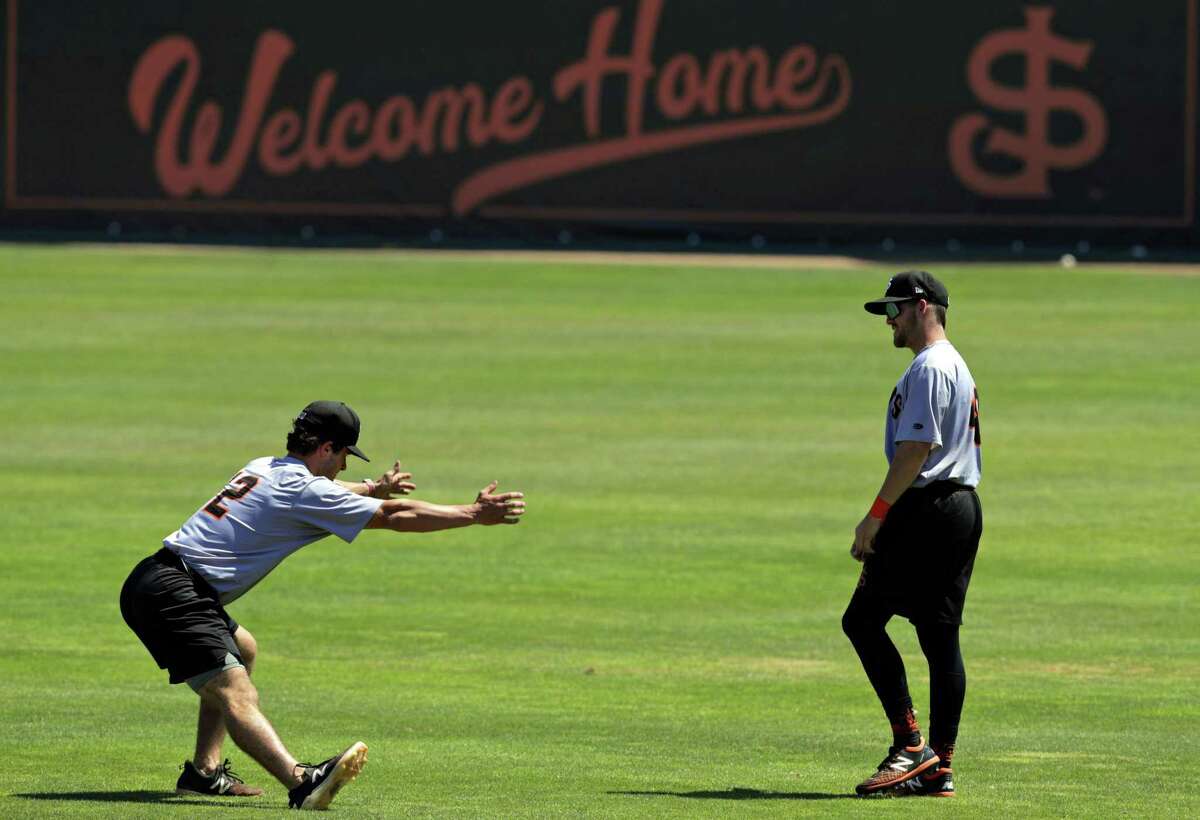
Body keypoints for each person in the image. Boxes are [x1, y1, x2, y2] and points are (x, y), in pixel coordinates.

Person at [120, 401, 525, 810]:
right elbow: (396, 516)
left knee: (243, 649)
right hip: (175, 595)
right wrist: (472, 513)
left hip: (158, 578)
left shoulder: (264, 466)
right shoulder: (304, 489)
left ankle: (203, 775)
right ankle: (301, 783)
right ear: (327, 448)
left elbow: (324, 492)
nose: (344, 467)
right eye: (345, 455)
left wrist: (370, 488)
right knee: (236, 692)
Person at [843, 271, 983, 798]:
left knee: (862, 620)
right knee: (938, 636)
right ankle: (939, 767)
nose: (889, 321)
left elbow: (914, 450)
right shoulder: (954, 364)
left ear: (922, 306)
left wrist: (875, 515)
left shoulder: (930, 368)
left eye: (894, 309)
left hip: (926, 509)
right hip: (959, 508)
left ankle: (911, 746)